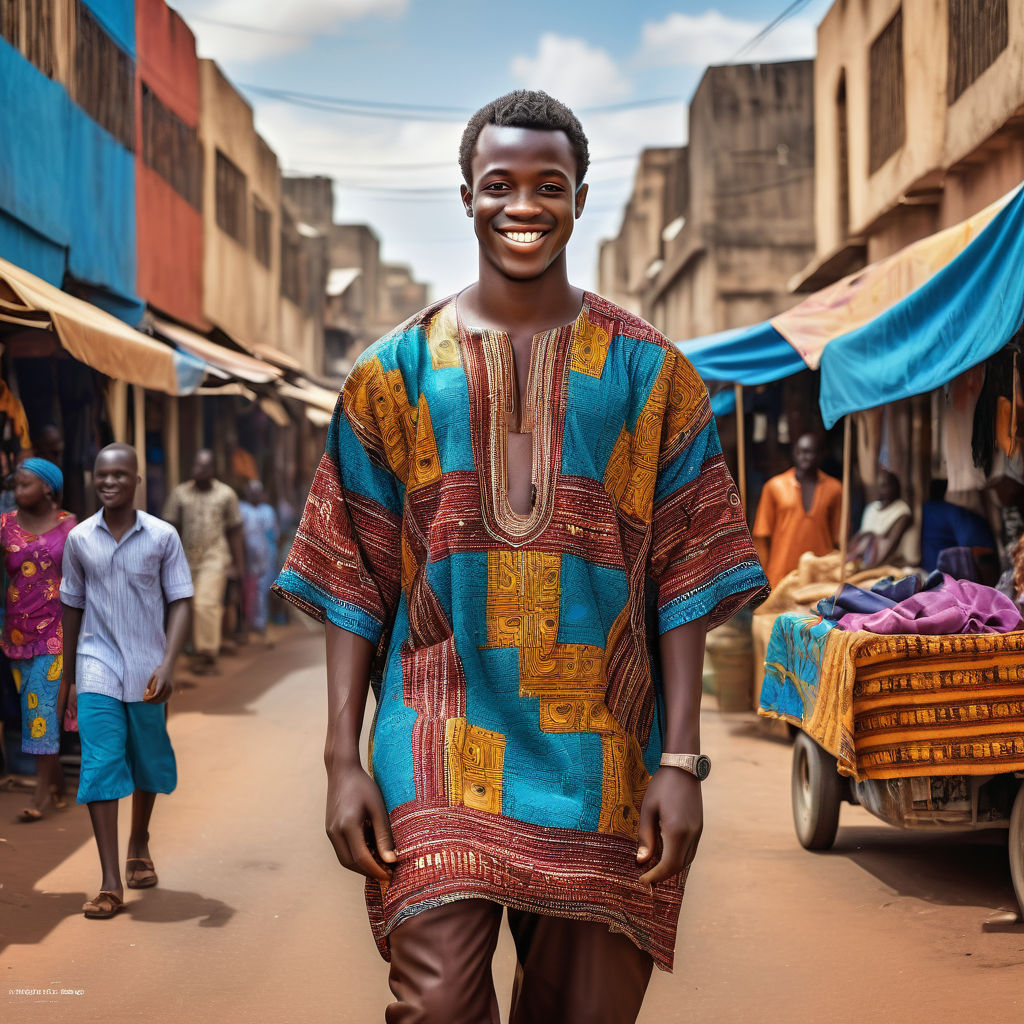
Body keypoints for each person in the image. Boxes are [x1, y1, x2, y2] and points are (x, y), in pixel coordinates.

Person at [273, 91, 768, 1023]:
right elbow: (353, 578)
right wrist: (343, 759)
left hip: (600, 757)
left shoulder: (652, 374)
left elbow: (685, 582)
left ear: (581, 198)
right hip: (434, 739)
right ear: (466, 195)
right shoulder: (394, 375)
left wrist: (683, 762)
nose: (523, 205)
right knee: (436, 1008)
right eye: (499, 184)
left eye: (550, 185)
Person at [58, 444, 192, 919]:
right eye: (102, 474)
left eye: (119, 475)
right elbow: (71, 605)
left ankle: (140, 838)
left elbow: (180, 600)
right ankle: (111, 881)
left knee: (147, 758)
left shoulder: (162, 536)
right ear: (93, 478)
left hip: (148, 667)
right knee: (100, 761)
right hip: (97, 664)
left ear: (137, 480)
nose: (109, 482)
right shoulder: (78, 540)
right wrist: (68, 678)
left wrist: (170, 664)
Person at [0, 458, 76, 820]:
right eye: (16, 484)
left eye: (24, 484)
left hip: (55, 634)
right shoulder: (4, 525)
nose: (17, 491)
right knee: (33, 713)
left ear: (47, 488)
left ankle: (40, 796)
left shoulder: (70, 527)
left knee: (40, 713)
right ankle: (58, 781)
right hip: (15, 636)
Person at [163, 450, 243, 675]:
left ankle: (206, 653)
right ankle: (189, 648)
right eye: (195, 466)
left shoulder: (226, 495)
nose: (197, 471)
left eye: (203, 467)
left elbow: (235, 530)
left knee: (205, 603)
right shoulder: (180, 494)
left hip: (214, 557)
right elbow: (169, 527)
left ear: (212, 470)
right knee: (186, 604)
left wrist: (238, 565)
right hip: (186, 558)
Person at [753, 433, 843, 587]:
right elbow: (761, 536)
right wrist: (761, 579)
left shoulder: (834, 488)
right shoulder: (774, 486)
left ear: (821, 454)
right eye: (801, 452)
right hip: (780, 576)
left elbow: (839, 538)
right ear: (794, 454)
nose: (805, 457)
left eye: (810, 452)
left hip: (821, 577)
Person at [848, 469, 913, 569]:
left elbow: (889, 546)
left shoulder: (902, 511)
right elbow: (860, 537)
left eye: (886, 485)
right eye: (880, 485)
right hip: (862, 561)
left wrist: (869, 566)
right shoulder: (871, 508)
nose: (882, 489)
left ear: (896, 487)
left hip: (886, 564)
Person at [238, 480, 279, 639]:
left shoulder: (267, 511)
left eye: (257, 491)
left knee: (262, 590)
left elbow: (273, 534)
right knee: (248, 591)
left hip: (266, 556)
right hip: (247, 557)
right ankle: (249, 623)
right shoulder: (242, 509)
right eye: (251, 491)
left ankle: (260, 623)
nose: (254, 495)